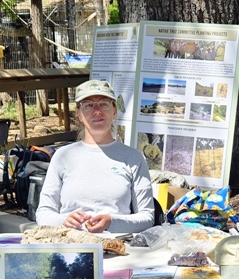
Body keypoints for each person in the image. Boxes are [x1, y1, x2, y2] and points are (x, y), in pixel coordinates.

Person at [36, 80, 154, 233]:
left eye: (104, 103)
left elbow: (147, 217)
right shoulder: (62, 156)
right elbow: (43, 213)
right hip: (70, 246)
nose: (97, 111)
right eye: (88, 105)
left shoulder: (133, 158)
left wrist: (112, 221)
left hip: (117, 248)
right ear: (78, 113)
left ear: (114, 111)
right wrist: (63, 220)